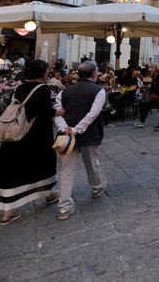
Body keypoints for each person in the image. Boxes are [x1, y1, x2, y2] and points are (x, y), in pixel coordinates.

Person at [0, 59, 62, 226]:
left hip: (16, 134)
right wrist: (61, 111)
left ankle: (8, 212)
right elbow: (44, 112)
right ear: (43, 72)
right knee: (43, 163)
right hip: (36, 135)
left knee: (12, 169)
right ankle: (50, 194)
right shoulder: (43, 89)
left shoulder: (19, 87)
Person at [53, 61, 108, 221]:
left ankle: (64, 206)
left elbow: (58, 114)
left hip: (66, 135)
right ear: (93, 74)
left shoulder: (64, 92)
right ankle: (97, 187)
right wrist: (76, 129)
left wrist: (65, 129)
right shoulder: (99, 91)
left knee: (66, 170)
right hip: (89, 134)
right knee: (92, 162)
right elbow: (92, 114)